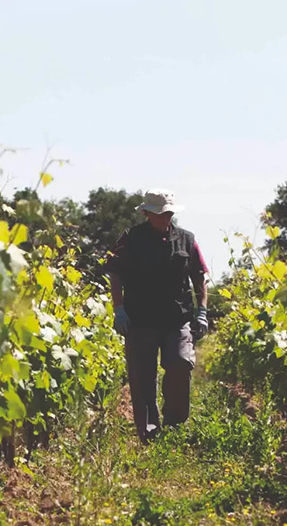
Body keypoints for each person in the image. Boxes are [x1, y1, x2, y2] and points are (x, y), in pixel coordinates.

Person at [105, 188, 209, 442]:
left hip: (177, 318)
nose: (166, 218)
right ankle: (148, 432)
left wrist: (203, 310)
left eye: (169, 213)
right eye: (160, 214)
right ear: (146, 214)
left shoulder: (187, 239)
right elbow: (115, 273)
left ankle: (174, 423)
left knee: (181, 363)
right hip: (140, 319)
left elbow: (200, 275)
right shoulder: (129, 239)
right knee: (142, 377)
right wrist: (118, 309)